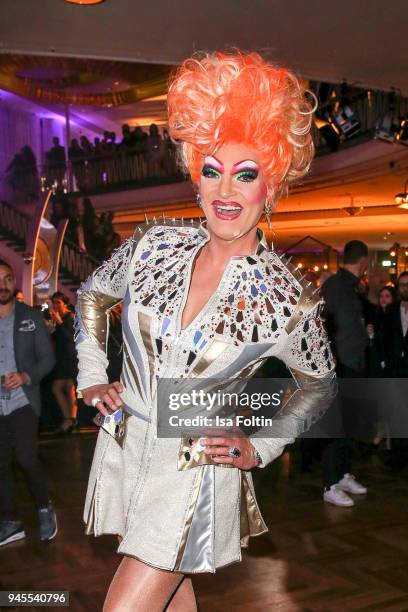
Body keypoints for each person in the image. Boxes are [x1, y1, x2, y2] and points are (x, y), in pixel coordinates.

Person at [75, 51, 336, 610]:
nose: (226, 190)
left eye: (247, 174)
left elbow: (318, 386)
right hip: (126, 444)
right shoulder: (154, 247)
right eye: (213, 169)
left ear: (272, 184)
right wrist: (93, 376)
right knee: (170, 591)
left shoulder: (286, 297)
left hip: (194, 469)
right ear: (196, 175)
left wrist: (259, 444)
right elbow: (92, 294)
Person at [0, 260, 57, 546]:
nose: (3, 285)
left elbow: (48, 359)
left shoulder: (29, 317)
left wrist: (25, 376)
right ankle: (11, 521)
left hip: (23, 400)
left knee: (25, 457)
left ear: (14, 283)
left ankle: (44, 508)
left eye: (8, 279)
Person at [321, 240, 369, 507]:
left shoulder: (349, 287)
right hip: (340, 368)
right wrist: (333, 363)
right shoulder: (336, 286)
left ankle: (342, 475)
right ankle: (330, 484)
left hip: (354, 366)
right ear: (364, 261)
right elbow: (320, 324)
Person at [49, 292, 78, 434]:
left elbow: (70, 337)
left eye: (58, 302)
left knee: (62, 387)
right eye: (54, 303)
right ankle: (69, 419)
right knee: (65, 388)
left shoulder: (70, 317)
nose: (55, 305)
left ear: (64, 304)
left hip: (69, 357)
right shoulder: (59, 318)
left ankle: (70, 418)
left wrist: (59, 322)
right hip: (61, 357)